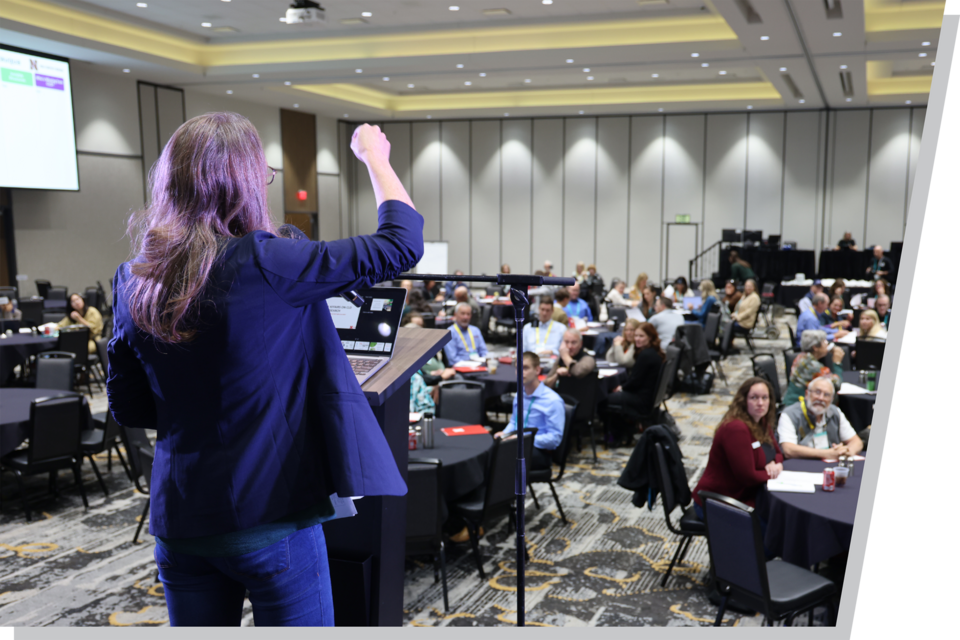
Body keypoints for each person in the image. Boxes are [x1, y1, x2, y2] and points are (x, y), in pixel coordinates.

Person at [106, 117, 421, 626]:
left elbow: (131, 406)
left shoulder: (134, 277)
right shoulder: (267, 260)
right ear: (246, 182)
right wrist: (374, 158)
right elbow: (401, 244)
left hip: (181, 522)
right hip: (271, 520)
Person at [691, 377, 783, 519]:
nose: (760, 403)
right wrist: (772, 473)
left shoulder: (762, 420)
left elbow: (778, 453)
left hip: (744, 495)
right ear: (744, 400)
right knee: (773, 527)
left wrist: (774, 464)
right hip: (717, 502)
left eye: (765, 398)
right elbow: (748, 477)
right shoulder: (736, 428)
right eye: (754, 398)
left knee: (777, 517)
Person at [496, 352, 566, 472]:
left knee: (501, 460)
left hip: (540, 451)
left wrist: (523, 439)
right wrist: (504, 434)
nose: (520, 372)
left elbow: (555, 439)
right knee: (490, 451)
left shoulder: (552, 401)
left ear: (537, 370)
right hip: (518, 444)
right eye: (518, 368)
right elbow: (514, 422)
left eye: (525, 368)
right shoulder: (519, 395)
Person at [606, 322, 665, 444]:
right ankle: (622, 432)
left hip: (641, 400)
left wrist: (621, 388)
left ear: (650, 337)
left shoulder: (646, 355)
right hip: (647, 398)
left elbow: (634, 381)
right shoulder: (652, 352)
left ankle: (615, 436)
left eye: (641, 336)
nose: (637, 339)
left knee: (604, 398)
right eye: (636, 336)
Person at [778, 377, 863, 460]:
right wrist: (827, 453)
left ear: (832, 399)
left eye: (826, 395)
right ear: (807, 394)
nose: (821, 398)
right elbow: (788, 450)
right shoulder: (789, 414)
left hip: (830, 465)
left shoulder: (835, 412)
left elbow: (857, 442)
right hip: (802, 465)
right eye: (817, 392)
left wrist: (846, 451)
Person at [781, 329, 844, 407]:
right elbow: (836, 385)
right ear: (815, 347)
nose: (827, 344)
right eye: (824, 342)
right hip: (798, 408)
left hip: (789, 403)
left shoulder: (801, 357)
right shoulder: (813, 366)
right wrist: (837, 363)